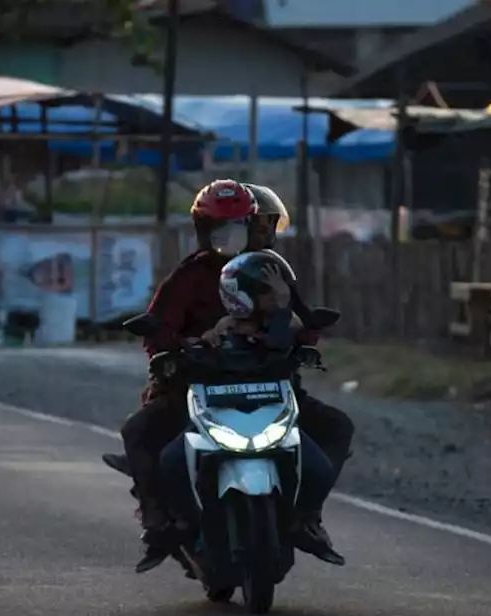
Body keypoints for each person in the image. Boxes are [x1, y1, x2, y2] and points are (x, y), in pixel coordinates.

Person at [116, 180, 353, 572]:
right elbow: (157, 329)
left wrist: (297, 336)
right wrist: (175, 351)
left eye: (238, 227)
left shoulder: (272, 272)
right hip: (198, 387)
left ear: (253, 225)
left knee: (337, 426)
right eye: (219, 229)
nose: (229, 237)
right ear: (203, 231)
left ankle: (307, 518)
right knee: (137, 432)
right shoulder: (188, 276)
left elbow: (304, 323)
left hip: (269, 386)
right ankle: (158, 521)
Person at [156, 250, 342, 563]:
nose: (280, 296)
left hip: (272, 413)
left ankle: (303, 521)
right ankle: (185, 523)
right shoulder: (224, 327)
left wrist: (282, 308)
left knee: (319, 469)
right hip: (220, 413)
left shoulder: (287, 322)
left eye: (280, 290)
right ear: (240, 295)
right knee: (171, 460)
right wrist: (192, 349)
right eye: (270, 291)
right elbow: (197, 350)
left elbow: (284, 341)